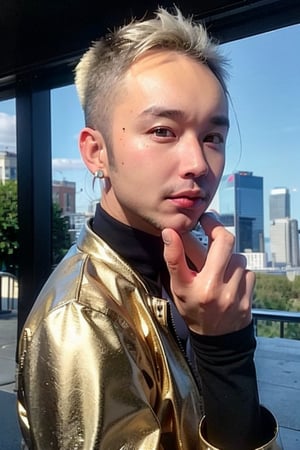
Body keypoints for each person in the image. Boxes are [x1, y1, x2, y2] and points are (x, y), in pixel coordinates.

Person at [17, 7, 280, 450]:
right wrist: (226, 352)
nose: (198, 164)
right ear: (96, 152)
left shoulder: (178, 272)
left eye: (213, 137)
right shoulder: (81, 321)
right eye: (163, 130)